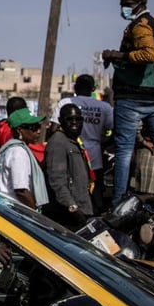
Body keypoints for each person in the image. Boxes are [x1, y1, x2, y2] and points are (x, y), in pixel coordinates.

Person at [102, 0, 154, 206]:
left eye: (127, 3)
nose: (123, 8)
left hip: (133, 97)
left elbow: (149, 54)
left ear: (139, 4)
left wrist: (120, 56)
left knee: (124, 151)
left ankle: (118, 202)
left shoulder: (141, 25)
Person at [48, 74, 113, 213]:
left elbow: (53, 129)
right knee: (95, 191)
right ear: (93, 88)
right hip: (95, 155)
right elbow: (116, 130)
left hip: (69, 153)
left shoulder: (65, 102)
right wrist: (103, 143)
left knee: (74, 188)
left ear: (75, 87)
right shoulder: (104, 107)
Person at [43, 104, 94, 230]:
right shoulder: (58, 142)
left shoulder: (73, 141)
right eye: (70, 119)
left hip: (82, 209)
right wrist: (72, 208)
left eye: (78, 119)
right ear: (60, 121)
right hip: (68, 216)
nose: (74, 123)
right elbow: (57, 181)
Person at [0, 108, 50, 211]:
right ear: (19, 130)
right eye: (34, 127)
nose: (38, 131)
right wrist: (35, 214)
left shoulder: (12, 148)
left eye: (39, 127)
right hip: (14, 212)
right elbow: (21, 190)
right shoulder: (18, 152)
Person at [130, 121, 154, 195]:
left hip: (151, 153)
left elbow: (135, 126)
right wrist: (143, 141)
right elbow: (135, 127)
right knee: (145, 195)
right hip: (149, 153)